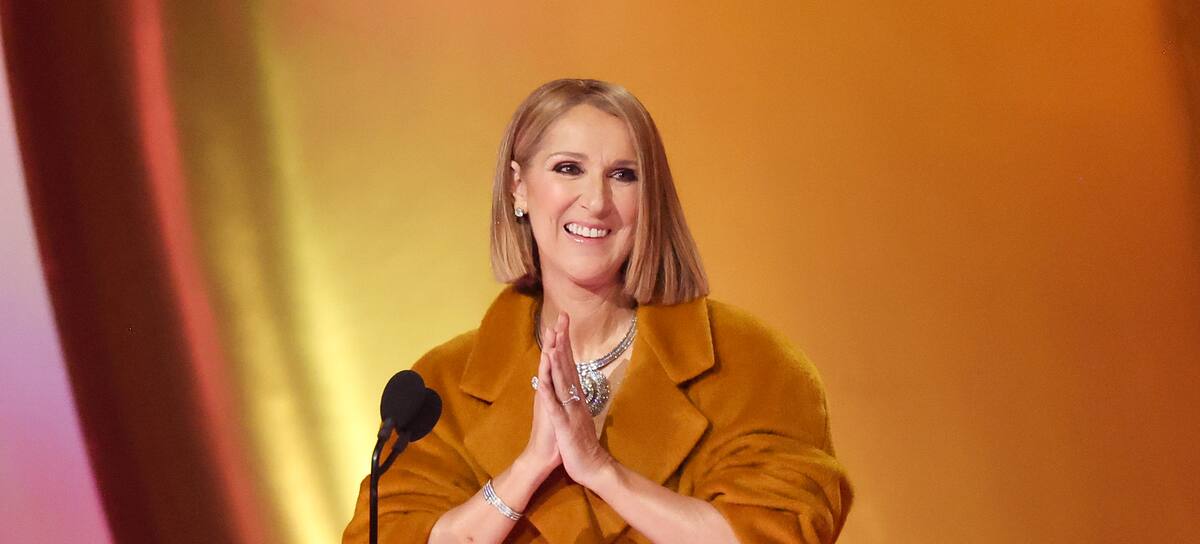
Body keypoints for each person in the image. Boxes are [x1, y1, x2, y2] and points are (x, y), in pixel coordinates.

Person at [343, 78, 852, 543]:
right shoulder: (441, 389)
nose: (597, 201)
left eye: (624, 175)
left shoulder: (749, 364)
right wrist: (528, 468)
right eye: (569, 169)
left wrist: (600, 469)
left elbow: (775, 534)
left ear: (651, 198)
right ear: (518, 187)